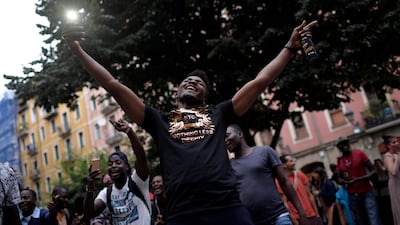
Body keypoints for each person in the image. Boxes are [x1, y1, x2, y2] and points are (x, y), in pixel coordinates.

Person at [63, 19, 318, 225]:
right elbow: (113, 85)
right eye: (187, 81)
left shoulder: (218, 113)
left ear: (205, 95)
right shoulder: (159, 120)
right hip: (182, 214)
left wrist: (289, 48)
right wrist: (78, 51)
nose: (192, 82)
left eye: (199, 83)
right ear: (177, 93)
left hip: (227, 208)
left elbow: (260, 81)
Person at [225, 124, 309, 225]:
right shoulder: (228, 167)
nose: (225, 140)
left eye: (227, 135)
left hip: (279, 218)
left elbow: (285, 182)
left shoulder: (265, 152)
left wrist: (302, 214)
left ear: (240, 134)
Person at [83, 118, 151, 225]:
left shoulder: (137, 181)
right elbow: (89, 213)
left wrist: (129, 131)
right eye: (110, 164)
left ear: (127, 167)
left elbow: (141, 157)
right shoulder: (106, 193)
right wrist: (90, 186)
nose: (113, 166)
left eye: (118, 162)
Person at [336, 138, 382, 225]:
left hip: (366, 192)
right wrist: (344, 182)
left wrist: (359, 179)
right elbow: (339, 178)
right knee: (361, 221)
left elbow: (373, 170)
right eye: (342, 144)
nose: (345, 145)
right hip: (352, 195)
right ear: (339, 148)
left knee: (374, 220)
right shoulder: (340, 161)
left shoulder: (359, 153)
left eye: (346, 143)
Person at [278, 155, 323, 225]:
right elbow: (285, 202)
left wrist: (317, 213)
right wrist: (293, 218)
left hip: (311, 214)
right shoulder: (280, 181)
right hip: (298, 218)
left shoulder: (300, 175)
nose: (294, 163)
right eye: (291, 161)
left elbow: (310, 195)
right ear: (284, 165)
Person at [382, 135, 400, 225]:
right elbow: (393, 171)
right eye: (393, 142)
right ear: (388, 145)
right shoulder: (387, 156)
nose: (397, 143)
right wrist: (396, 158)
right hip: (396, 186)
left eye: (397, 141)